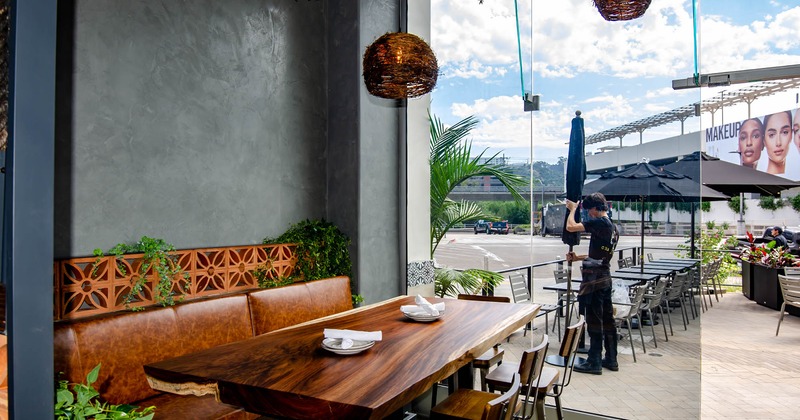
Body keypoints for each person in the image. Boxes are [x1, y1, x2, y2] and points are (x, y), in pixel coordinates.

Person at [565, 192, 619, 375]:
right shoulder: (613, 227)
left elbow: (571, 227)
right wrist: (578, 257)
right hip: (606, 278)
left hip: (594, 281)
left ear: (596, 209)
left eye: (589, 211)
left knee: (594, 321)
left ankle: (594, 361)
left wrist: (573, 210)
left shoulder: (599, 222)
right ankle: (611, 359)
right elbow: (600, 255)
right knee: (607, 320)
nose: (588, 214)